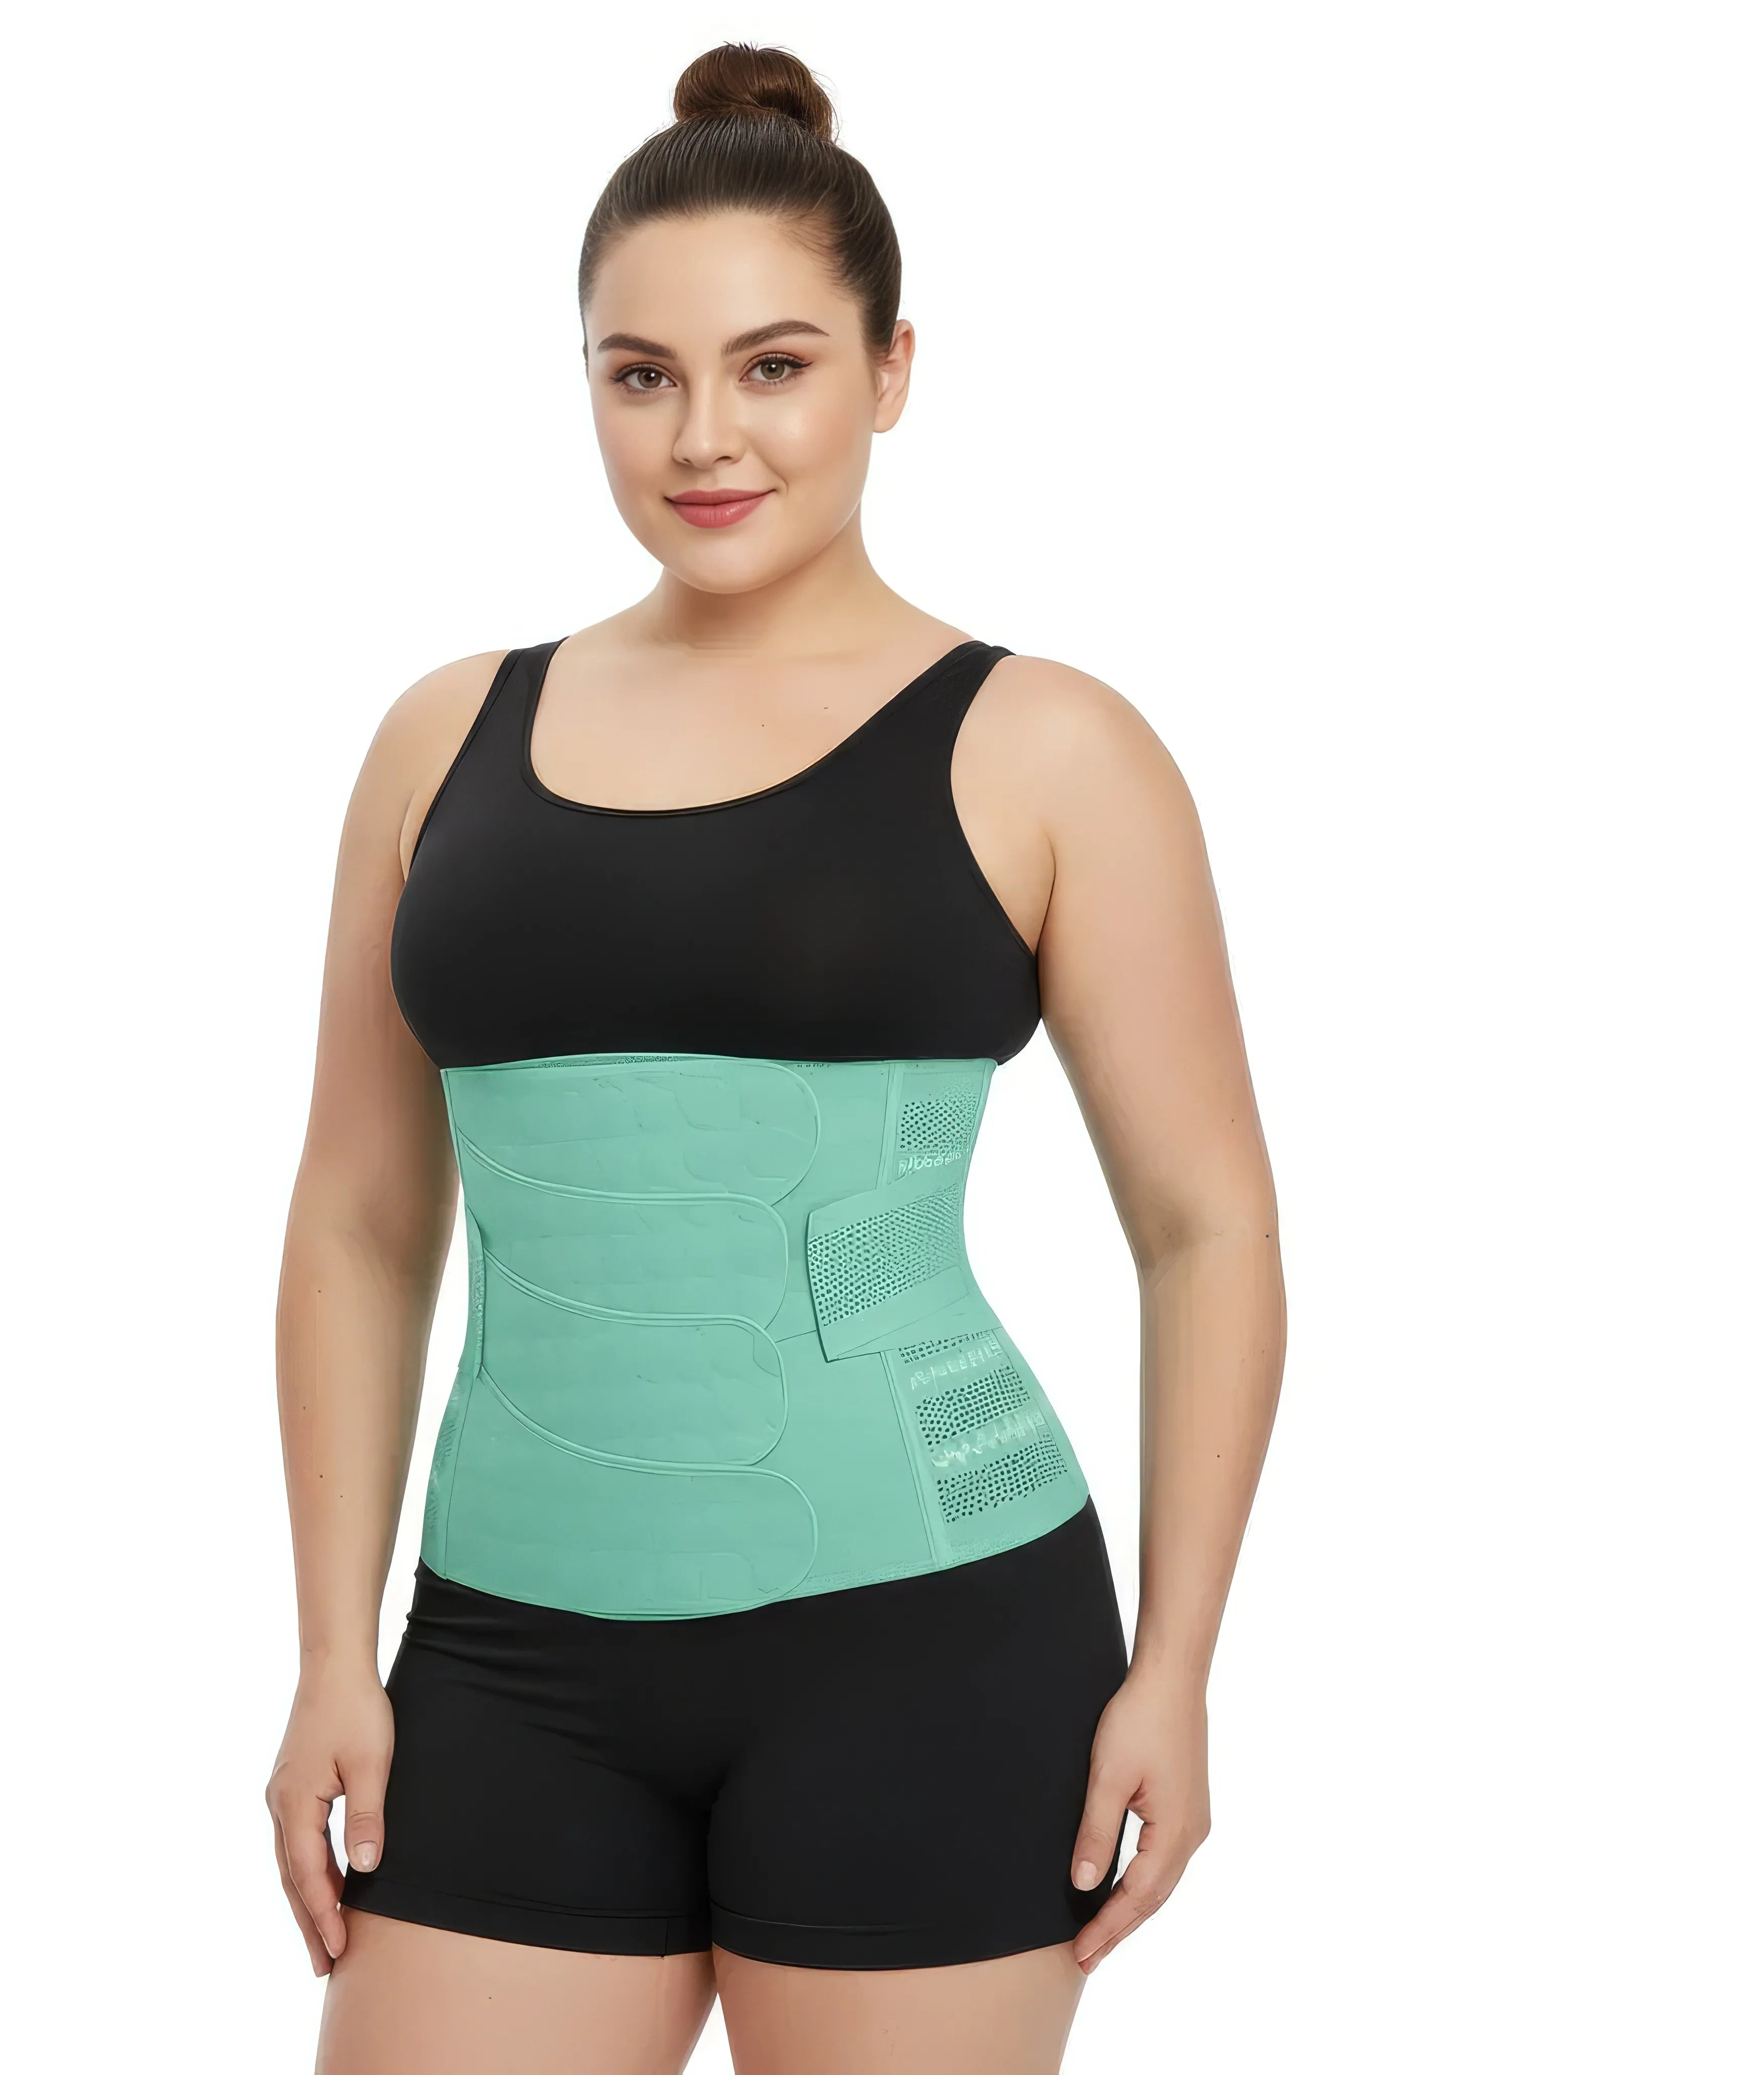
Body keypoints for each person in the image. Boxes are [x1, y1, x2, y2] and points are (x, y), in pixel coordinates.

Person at [265, 42, 1284, 2075]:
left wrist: (1178, 1663)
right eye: (640, 374)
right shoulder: (441, 739)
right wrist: (327, 1652)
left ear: (893, 371)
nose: (704, 436)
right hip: (506, 1661)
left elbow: (1205, 1226)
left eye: (776, 367)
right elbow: (363, 1221)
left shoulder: (1050, 747)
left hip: (928, 1649)